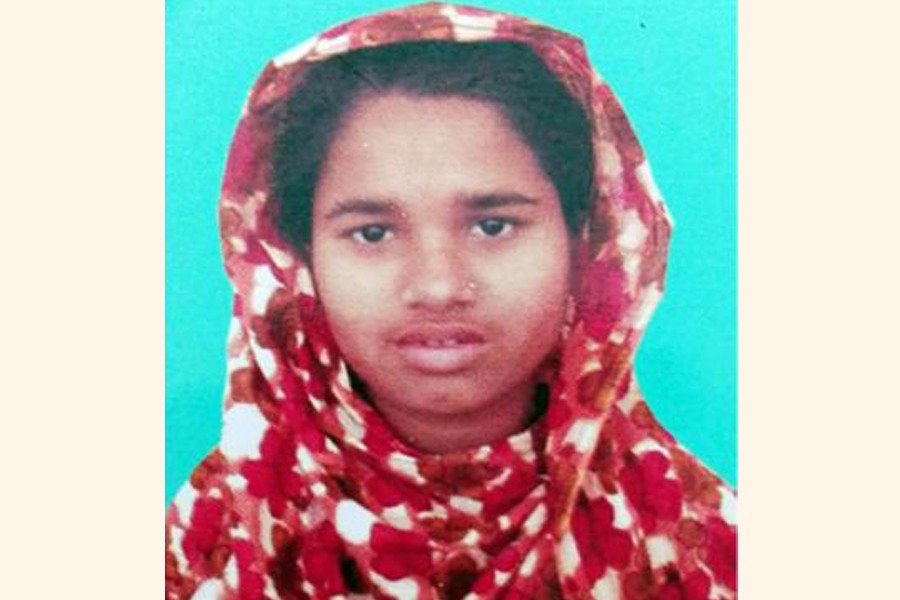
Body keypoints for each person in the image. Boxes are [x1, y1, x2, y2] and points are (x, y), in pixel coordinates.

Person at [165, 3, 736, 599]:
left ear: (585, 241)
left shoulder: (709, 551)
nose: (437, 287)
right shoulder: (208, 549)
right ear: (298, 257)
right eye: (373, 233)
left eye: (493, 226)